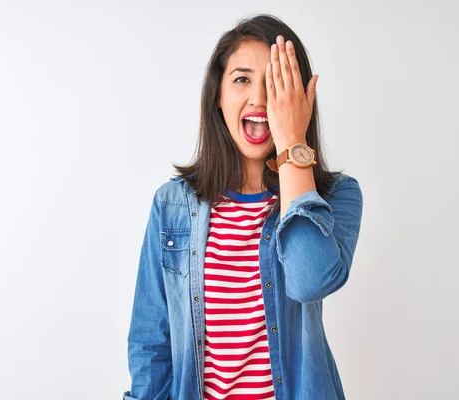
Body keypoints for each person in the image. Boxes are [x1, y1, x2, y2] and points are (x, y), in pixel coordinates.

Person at [123, 14, 363, 400]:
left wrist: (291, 143)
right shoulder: (171, 206)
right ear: (218, 95)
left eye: (275, 83)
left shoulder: (335, 197)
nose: (260, 99)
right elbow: (152, 342)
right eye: (242, 79)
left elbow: (310, 280)